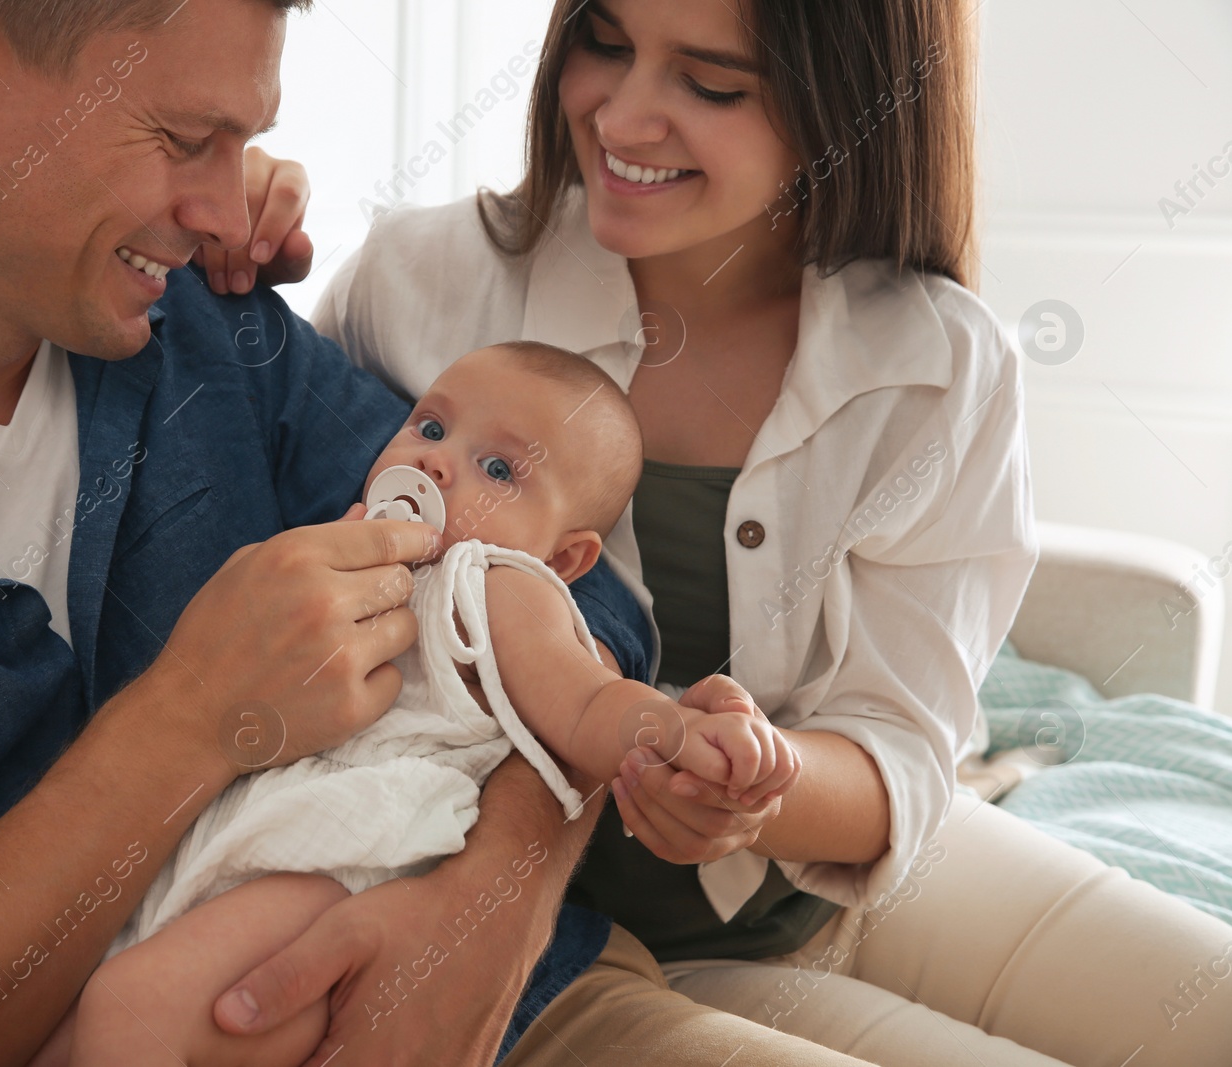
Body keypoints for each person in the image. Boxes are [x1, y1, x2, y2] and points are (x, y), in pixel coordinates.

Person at [0, 3, 716, 1066]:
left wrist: (493, 900)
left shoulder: (208, 319)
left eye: (242, 142)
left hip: (530, 1005)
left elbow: (572, 587)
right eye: (182, 138)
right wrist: (189, 721)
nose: (224, 206)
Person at [203, 0, 1232, 1064]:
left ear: (840, 107)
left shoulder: (939, 360)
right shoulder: (422, 281)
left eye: (709, 84)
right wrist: (219, 216)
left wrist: (747, 786)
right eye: (605, 43)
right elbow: (295, 545)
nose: (621, 115)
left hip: (843, 891)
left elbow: (897, 745)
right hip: (575, 944)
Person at [39, 341, 804, 1065]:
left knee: (128, 1007)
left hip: (346, 864)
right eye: (430, 426)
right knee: (57, 1039)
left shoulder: (495, 580)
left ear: (564, 558)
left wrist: (681, 732)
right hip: (245, 845)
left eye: (497, 467)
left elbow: (586, 707)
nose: (434, 460)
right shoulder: (350, 538)